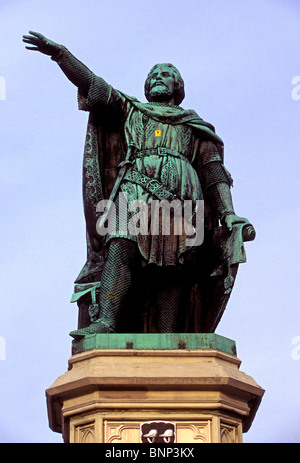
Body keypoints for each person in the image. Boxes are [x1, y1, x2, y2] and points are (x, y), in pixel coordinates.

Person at [23, 31, 252, 337]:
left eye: (167, 73)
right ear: (146, 87)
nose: (159, 77)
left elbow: (213, 172)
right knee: (121, 246)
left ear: (178, 87)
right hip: (134, 188)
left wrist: (229, 214)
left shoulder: (195, 126)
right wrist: (61, 55)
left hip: (183, 196)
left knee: (174, 265)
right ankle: (106, 322)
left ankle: (169, 336)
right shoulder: (130, 109)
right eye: (153, 74)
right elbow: (92, 83)